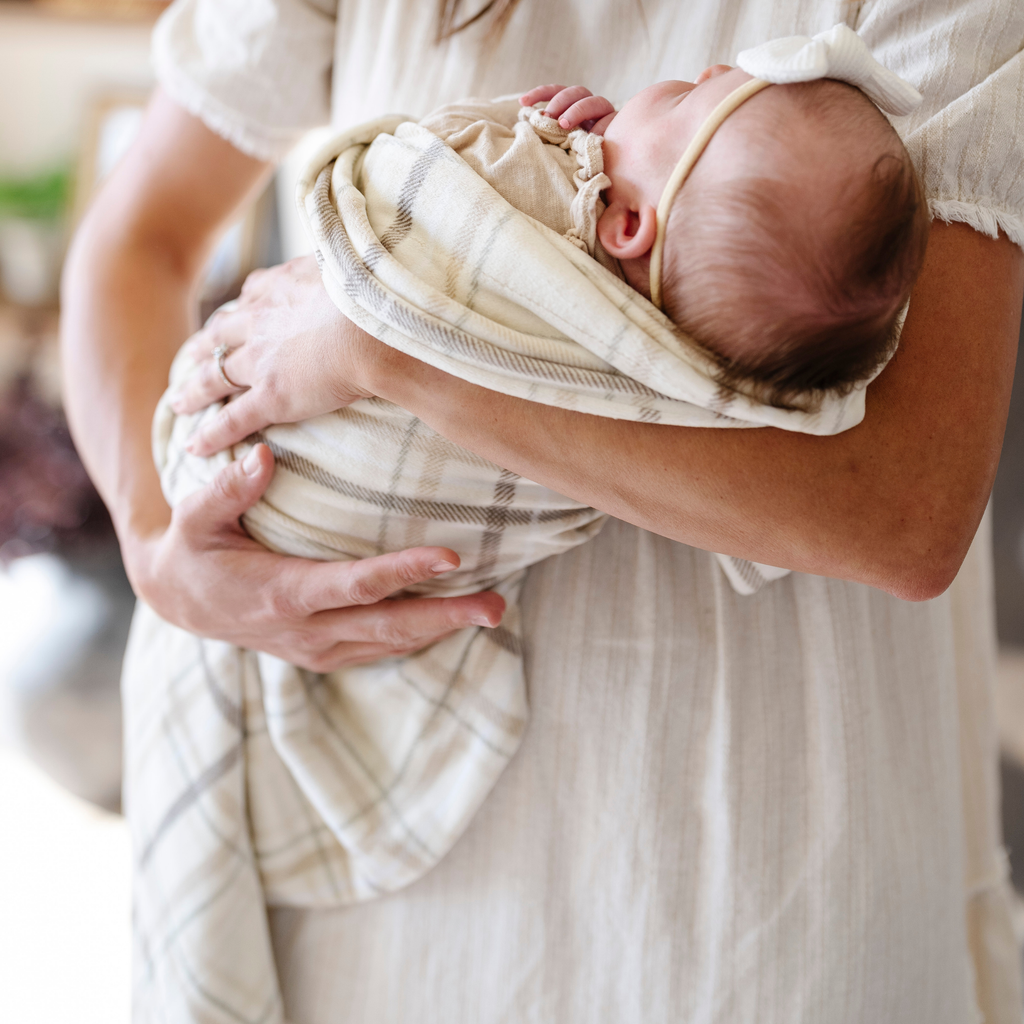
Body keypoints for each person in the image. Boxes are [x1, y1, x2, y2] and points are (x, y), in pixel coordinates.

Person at [60, 1, 1024, 1022]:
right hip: (381, 903)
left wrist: (385, 351)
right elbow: (135, 243)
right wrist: (156, 544)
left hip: (762, 906)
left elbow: (903, 515)